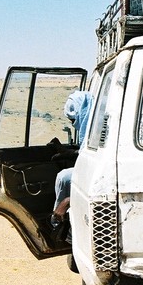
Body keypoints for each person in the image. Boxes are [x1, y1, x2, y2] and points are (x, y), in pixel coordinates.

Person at [52, 91, 93, 224]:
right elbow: (85, 151)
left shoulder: (102, 127)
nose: (73, 124)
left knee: (64, 177)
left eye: (74, 120)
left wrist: (68, 200)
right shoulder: (92, 125)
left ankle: (57, 221)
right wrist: (65, 152)